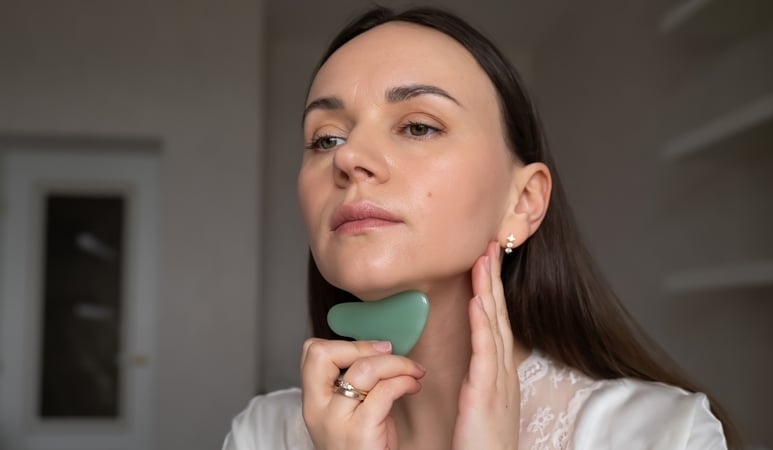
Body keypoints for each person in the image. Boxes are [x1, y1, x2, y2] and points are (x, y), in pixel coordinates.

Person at [223, 5, 740, 450]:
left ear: (523, 202)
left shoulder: (662, 435)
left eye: (418, 126)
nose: (349, 157)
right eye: (326, 139)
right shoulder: (263, 434)